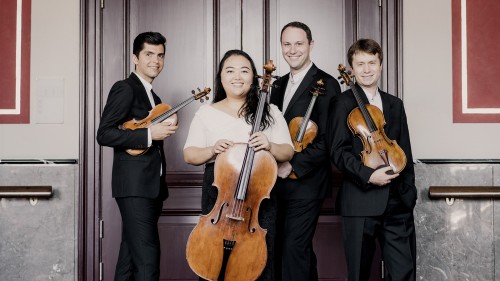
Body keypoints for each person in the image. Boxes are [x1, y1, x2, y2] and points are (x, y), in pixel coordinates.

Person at [183, 49, 294, 281]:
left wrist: (269, 145)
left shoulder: (270, 111)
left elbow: (288, 151)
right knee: (212, 262)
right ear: (221, 77)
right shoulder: (206, 113)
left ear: (253, 77)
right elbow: (190, 154)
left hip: (258, 198)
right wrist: (212, 149)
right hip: (218, 196)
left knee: (260, 264)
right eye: (230, 70)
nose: (237, 77)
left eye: (244, 71)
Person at [327, 39, 417, 281]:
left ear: (380, 65)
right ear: (352, 68)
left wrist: (409, 193)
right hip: (360, 202)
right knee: (359, 274)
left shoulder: (394, 104)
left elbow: (404, 149)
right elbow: (338, 151)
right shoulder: (342, 103)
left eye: (372, 63)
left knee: (403, 274)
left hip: (397, 202)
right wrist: (369, 175)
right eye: (360, 64)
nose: (366, 69)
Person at [96, 31, 178, 281]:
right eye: (149, 54)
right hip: (134, 187)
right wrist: (149, 134)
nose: (156, 60)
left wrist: (157, 131)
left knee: (130, 257)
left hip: (150, 188)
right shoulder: (125, 88)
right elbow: (104, 133)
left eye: (160, 55)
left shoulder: (155, 97)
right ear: (135, 58)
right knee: (147, 261)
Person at [269, 21, 341, 281]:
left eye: (299, 43)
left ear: (311, 45)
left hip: (306, 183)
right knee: (282, 250)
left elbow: (328, 140)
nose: (292, 50)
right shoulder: (276, 85)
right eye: (287, 44)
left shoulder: (328, 84)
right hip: (274, 183)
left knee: (293, 248)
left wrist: (293, 165)